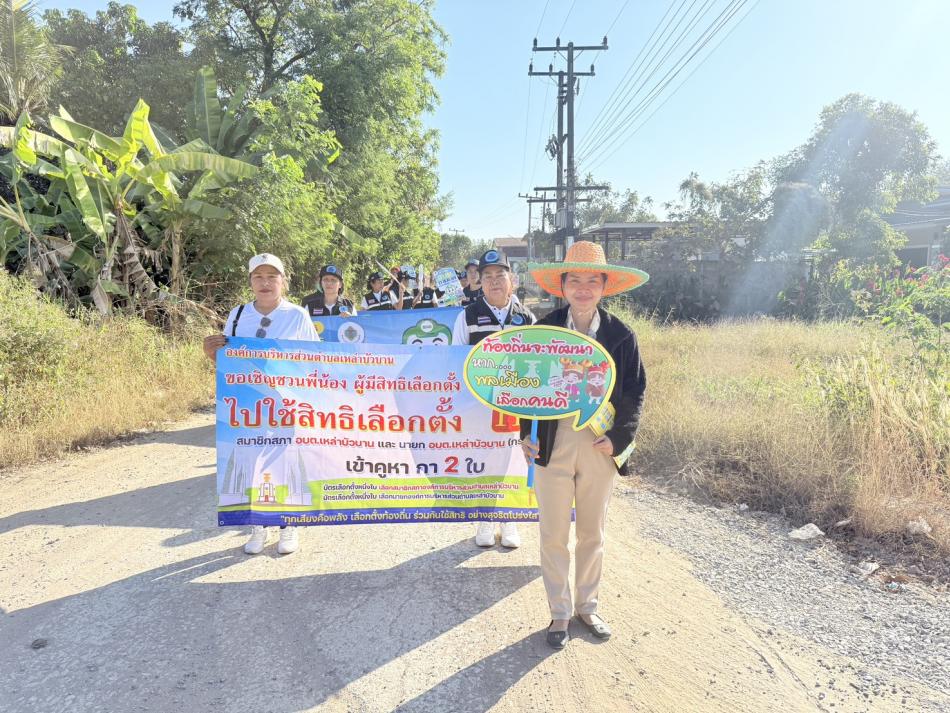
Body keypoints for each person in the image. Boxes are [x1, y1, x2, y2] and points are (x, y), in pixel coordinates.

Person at [520, 240, 648, 649]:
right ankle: (559, 612)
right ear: (562, 285)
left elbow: (635, 391)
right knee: (553, 532)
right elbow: (526, 388)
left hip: (598, 446)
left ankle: (587, 606)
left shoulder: (621, 335)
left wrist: (619, 438)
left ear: (604, 286)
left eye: (592, 280)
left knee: (593, 532)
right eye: (575, 279)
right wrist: (527, 433)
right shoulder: (543, 331)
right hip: (552, 443)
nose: (583, 288)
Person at [203, 253, 320, 556]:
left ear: (283, 281)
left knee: (286, 461)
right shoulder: (238, 314)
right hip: (249, 406)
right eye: (258, 277)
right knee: (250, 462)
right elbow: (228, 359)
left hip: (286, 404)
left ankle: (288, 525)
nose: (265, 283)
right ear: (250, 281)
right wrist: (211, 351)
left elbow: (316, 359)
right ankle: (258, 525)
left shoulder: (297, 315)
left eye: (272, 276)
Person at [452, 249, 536, 549]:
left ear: (510, 279)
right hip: (480, 406)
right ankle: (485, 518)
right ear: (480, 281)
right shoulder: (468, 316)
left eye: (500, 275)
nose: (494, 281)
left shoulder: (526, 317)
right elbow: (455, 359)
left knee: (513, 459)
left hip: (515, 407)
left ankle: (509, 519)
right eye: (487, 276)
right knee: (484, 459)